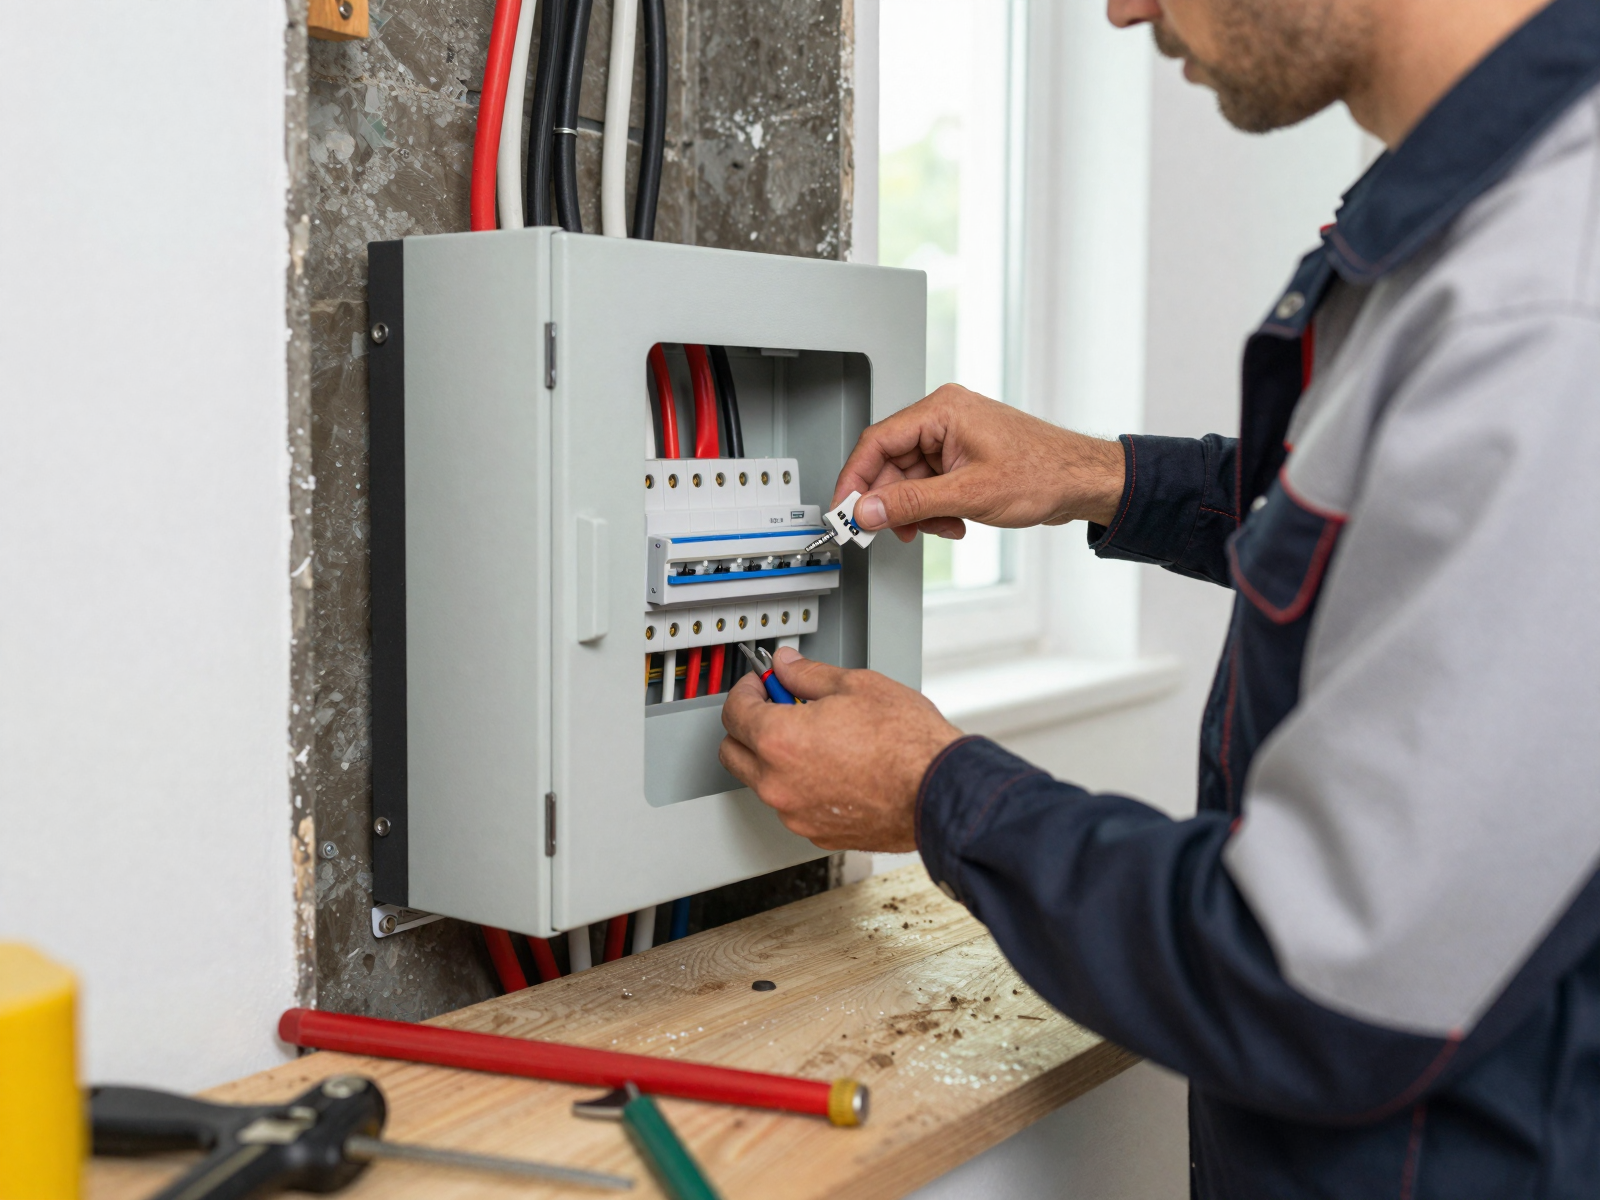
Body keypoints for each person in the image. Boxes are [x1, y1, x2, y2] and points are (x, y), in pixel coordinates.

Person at [718, 0, 1600, 1194]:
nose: (1119, 6)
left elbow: (1309, 978)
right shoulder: (1460, 222)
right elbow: (1394, 537)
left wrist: (935, 791)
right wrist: (1101, 478)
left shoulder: (1543, 290)